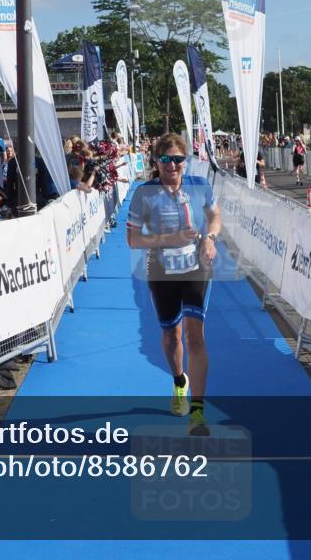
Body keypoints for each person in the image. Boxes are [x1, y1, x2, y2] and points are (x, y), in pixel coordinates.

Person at [127, 133, 221, 437]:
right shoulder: (144, 193)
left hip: (196, 269)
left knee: (196, 337)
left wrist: (210, 238)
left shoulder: (200, 186)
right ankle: (179, 380)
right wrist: (168, 240)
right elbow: (132, 239)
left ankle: (198, 412)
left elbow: (215, 216)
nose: (173, 165)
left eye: (179, 159)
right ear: (157, 162)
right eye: (166, 159)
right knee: (171, 336)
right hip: (162, 272)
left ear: (186, 161)